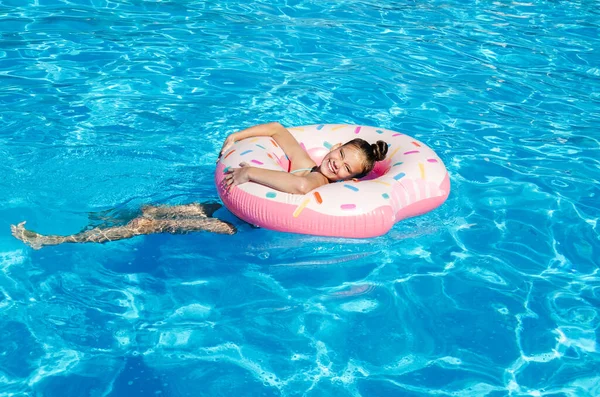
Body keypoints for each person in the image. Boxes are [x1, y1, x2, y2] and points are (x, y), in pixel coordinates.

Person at [11, 122, 388, 249]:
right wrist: (234, 137)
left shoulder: (315, 178)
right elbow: (276, 129)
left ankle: (56, 241)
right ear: (335, 147)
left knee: (146, 223)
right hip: (226, 208)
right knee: (147, 213)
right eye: (340, 155)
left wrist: (250, 173)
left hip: (234, 224)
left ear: (350, 179)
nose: (336, 165)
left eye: (345, 169)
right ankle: (85, 225)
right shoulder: (308, 160)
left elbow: (299, 188)